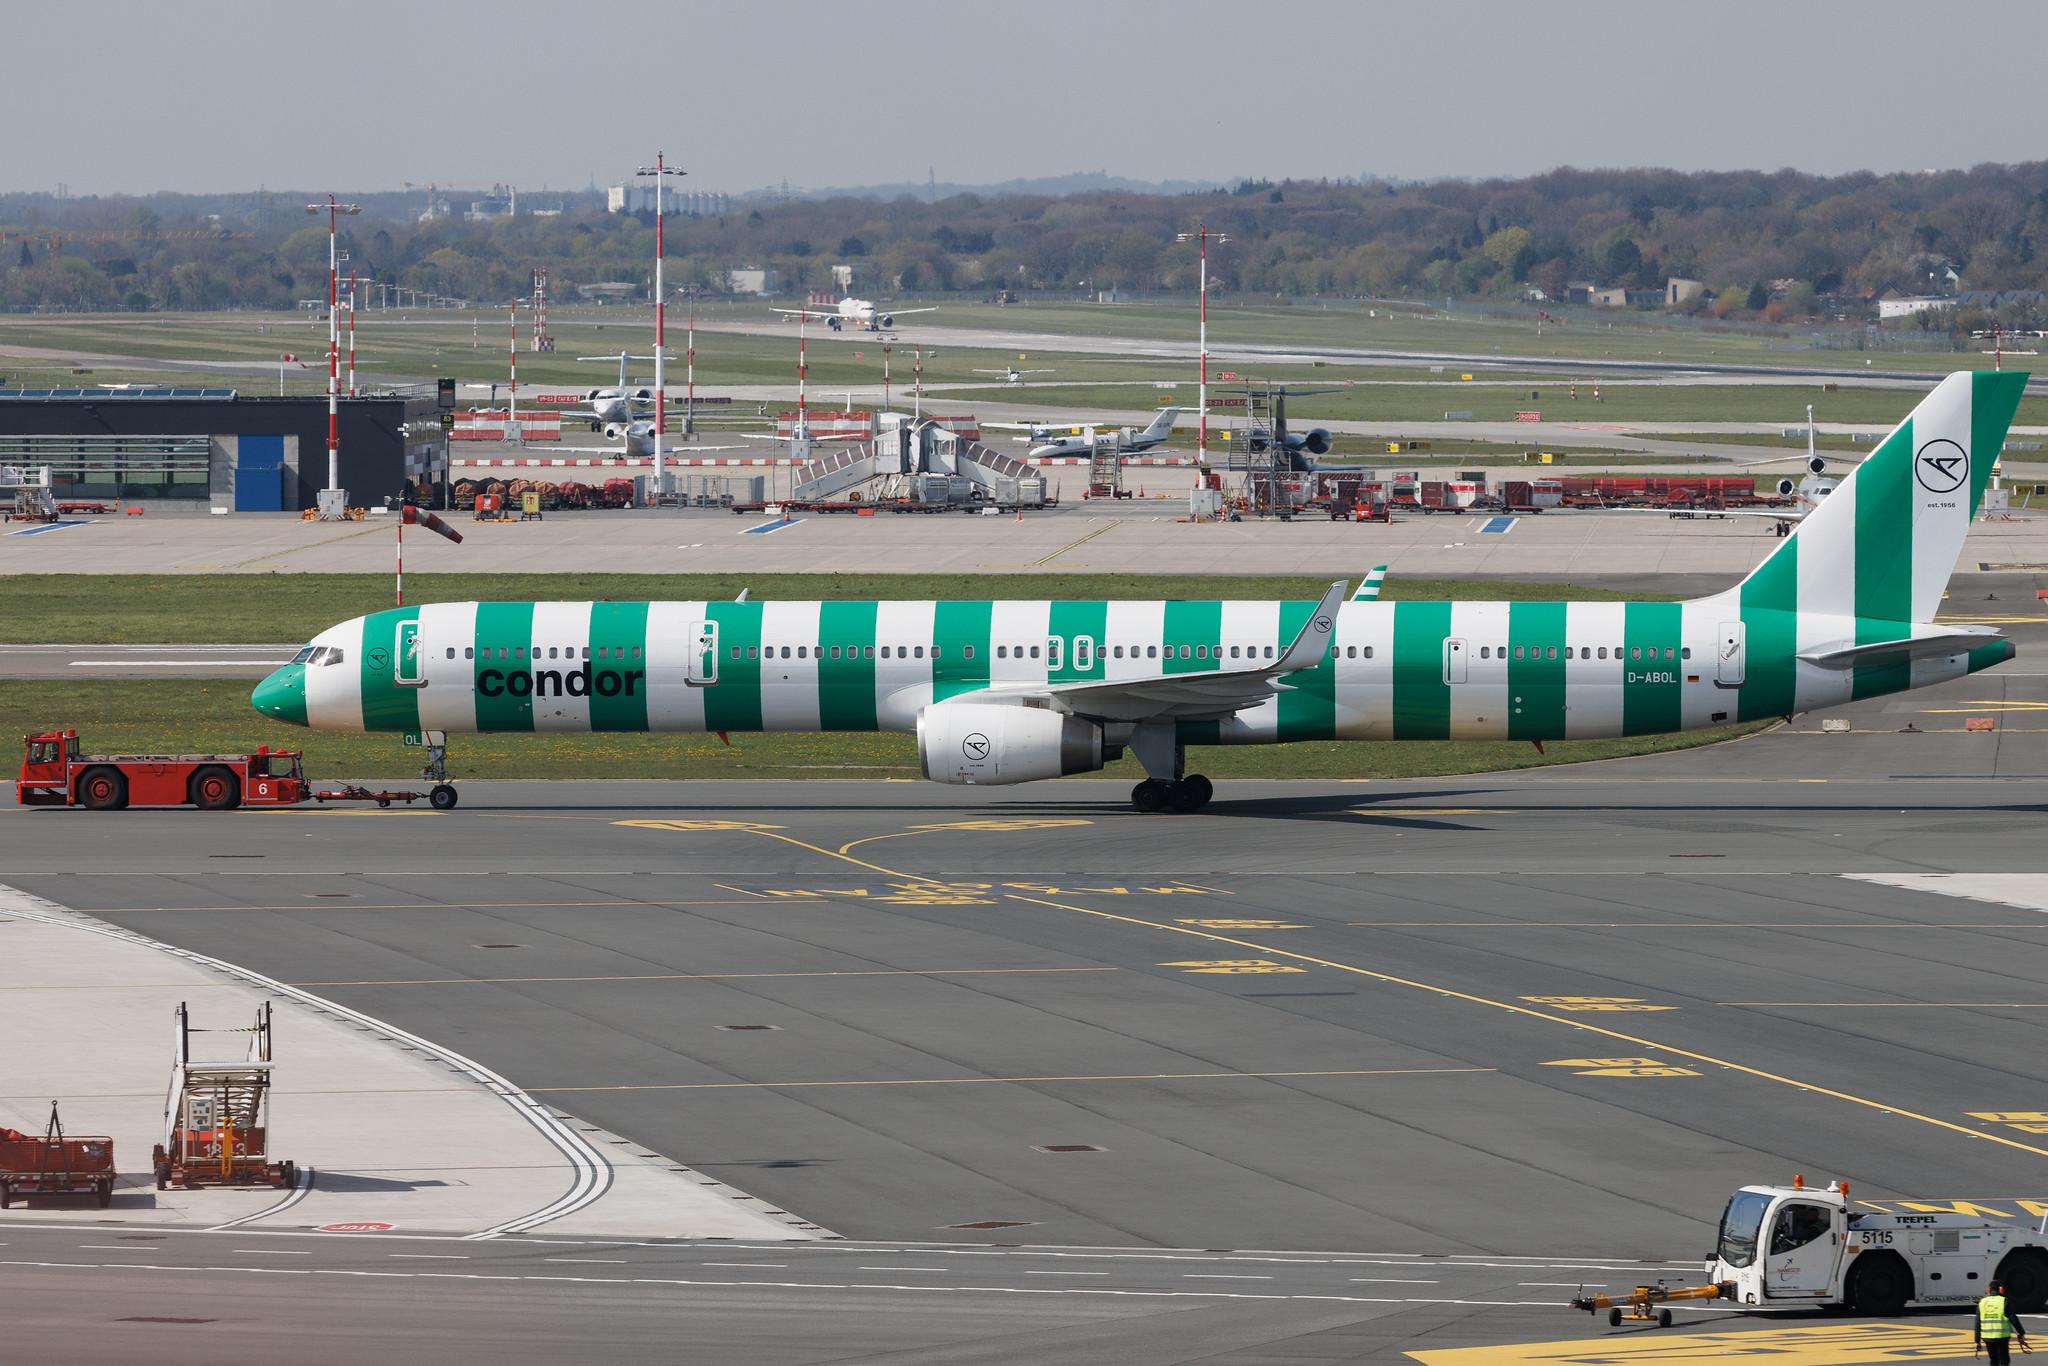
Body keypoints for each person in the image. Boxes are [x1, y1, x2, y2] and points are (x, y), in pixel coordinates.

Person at [1978, 1281, 2030, 1363]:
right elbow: (2013, 1319)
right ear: (2001, 1289)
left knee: (1993, 1360)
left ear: (1988, 1289)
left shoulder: (1982, 1302)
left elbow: (1977, 1323)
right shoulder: (2004, 1301)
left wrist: (1977, 1341)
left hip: (1987, 1338)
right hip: (2002, 1337)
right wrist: (2021, 1333)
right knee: (2004, 1360)